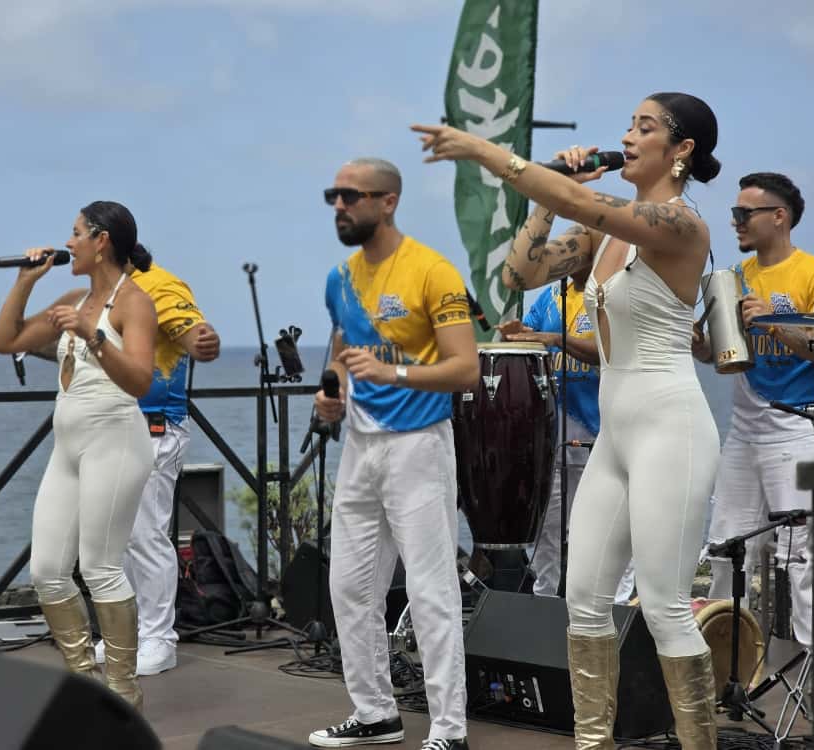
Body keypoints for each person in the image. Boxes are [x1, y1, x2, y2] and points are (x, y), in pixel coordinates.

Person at [414, 91, 722, 749]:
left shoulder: (680, 225)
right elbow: (520, 272)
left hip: (671, 427)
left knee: (665, 606)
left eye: (644, 127)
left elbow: (587, 204)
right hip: (616, 435)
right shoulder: (604, 234)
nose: (628, 136)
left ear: (682, 150)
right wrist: (548, 198)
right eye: (628, 125)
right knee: (583, 602)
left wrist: (486, 152)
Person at [309, 158, 479, 750]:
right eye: (334, 196)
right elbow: (342, 349)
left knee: (431, 591)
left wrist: (393, 373)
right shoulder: (340, 279)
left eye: (351, 195)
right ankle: (376, 713)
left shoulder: (432, 271)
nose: (339, 206)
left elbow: (467, 369)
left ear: (388, 201)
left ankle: (450, 729)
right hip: (360, 447)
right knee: (349, 589)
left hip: (418, 445)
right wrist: (331, 393)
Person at [0, 200, 157, 710]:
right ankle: (87, 688)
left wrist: (93, 336)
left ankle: (124, 698)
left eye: (76, 232)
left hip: (115, 441)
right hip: (67, 450)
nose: (68, 242)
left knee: (101, 568)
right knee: (47, 571)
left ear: (101, 240)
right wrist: (25, 281)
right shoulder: (73, 299)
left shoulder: (134, 304)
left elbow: (140, 382)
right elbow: (5, 341)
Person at [696, 172, 814, 648]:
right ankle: (728, 664)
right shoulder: (735, 277)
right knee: (726, 550)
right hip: (744, 433)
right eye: (734, 214)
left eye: (744, 213)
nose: (735, 222)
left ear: (779, 216)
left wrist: (776, 323)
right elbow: (721, 355)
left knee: (801, 557)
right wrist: (697, 343)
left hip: (799, 429)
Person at [92, 254, 220, 675]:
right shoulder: (111, 293)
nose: (73, 245)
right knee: (119, 540)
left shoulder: (160, 285)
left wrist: (203, 340)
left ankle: (160, 640)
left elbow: (196, 335)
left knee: (146, 536)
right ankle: (126, 634)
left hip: (155, 429)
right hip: (118, 427)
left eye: (82, 235)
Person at [498, 265, 635, 604]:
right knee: (548, 526)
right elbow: (527, 340)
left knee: (608, 525)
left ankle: (617, 603)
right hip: (553, 433)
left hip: (600, 431)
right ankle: (545, 598)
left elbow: (610, 352)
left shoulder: (610, 294)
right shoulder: (550, 297)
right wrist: (515, 335)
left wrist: (557, 339)